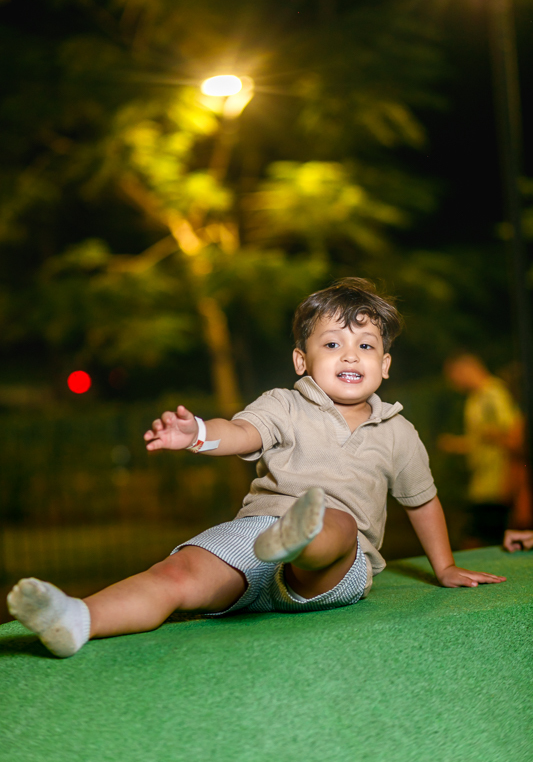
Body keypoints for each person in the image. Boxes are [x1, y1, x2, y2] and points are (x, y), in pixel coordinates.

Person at [7, 278, 506, 658]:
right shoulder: (284, 404)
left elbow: (422, 500)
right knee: (176, 574)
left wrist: (444, 566)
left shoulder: (398, 431)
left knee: (335, 522)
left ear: (386, 364)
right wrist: (197, 433)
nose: (350, 355)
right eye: (332, 344)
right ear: (301, 360)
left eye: (366, 345)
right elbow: (241, 432)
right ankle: (77, 618)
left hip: (334, 568)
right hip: (253, 540)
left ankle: (299, 540)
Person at [439, 353, 522, 547]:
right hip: (481, 482)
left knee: (480, 538)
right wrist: (457, 444)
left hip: (497, 480)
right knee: (480, 537)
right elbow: (481, 440)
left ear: (464, 370)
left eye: (453, 377)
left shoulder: (494, 393)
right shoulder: (475, 398)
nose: (453, 384)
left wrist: (494, 436)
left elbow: (514, 434)